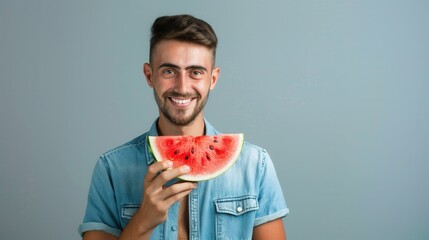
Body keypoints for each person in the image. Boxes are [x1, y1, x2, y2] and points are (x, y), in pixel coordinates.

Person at [79, 14, 289, 240]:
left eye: (196, 72)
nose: (182, 87)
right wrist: (142, 221)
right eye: (169, 71)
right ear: (149, 75)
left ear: (213, 79)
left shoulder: (255, 165)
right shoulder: (111, 169)